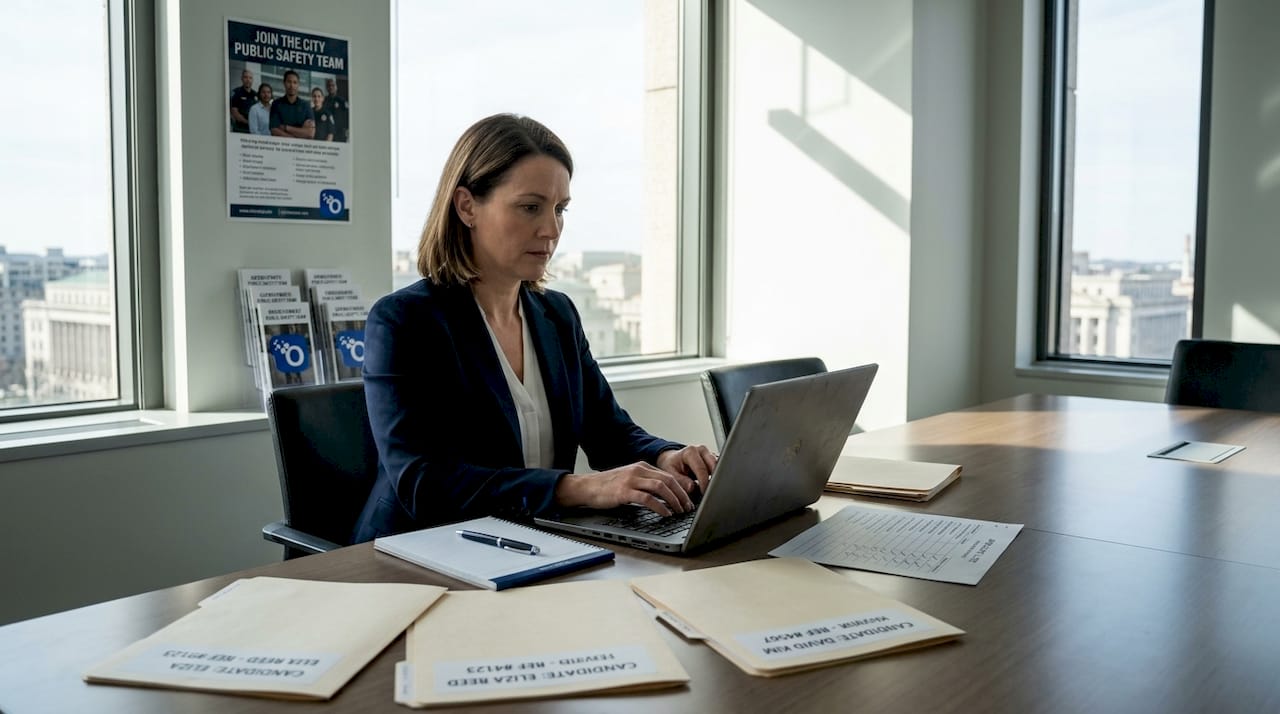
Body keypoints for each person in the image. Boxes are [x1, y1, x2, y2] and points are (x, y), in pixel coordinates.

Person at [352, 113, 716, 541]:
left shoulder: (556, 315)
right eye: (530, 207)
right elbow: (424, 483)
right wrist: (576, 488)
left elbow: (609, 431)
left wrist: (664, 457)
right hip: (419, 553)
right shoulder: (405, 321)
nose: (551, 229)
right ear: (467, 206)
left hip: (529, 541)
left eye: (560, 209)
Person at [269, 70, 315, 139]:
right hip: (281, 147)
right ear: (284, 83)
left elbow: (310, 133)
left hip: (302, 148)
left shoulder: (306, 105)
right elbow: (274, 130)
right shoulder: (276, 104)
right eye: (289, 82)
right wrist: (296, 139)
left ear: (298, 85)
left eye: (295, 82)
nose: (292, 85)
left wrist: (286, 128)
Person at [229, 68, 256, 133]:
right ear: (242, 79)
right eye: (245, 77)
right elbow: (235, 113)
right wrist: (248, 123)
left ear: (252, 80)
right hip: (240, 129)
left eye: (250, 78)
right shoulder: (236, 92)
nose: (248, 80)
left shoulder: (256, 94)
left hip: (253, 130)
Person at [324, 77, 349, 142]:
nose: (331, 87)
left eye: (333, 85)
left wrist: (347, 130)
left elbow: (347, 115)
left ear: (336, 87)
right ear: (327, 88)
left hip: (340, 133)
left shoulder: (342, 101)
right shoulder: (324, 101)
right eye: (329, 85)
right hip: (327, 132)